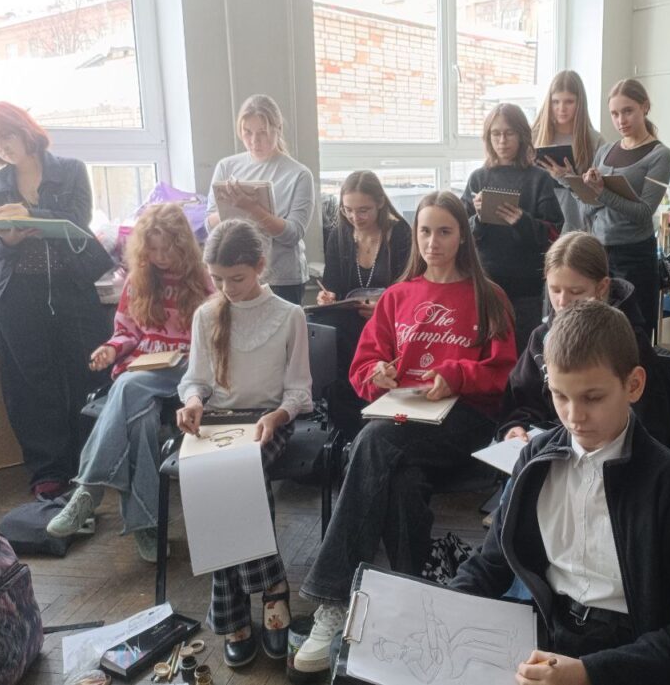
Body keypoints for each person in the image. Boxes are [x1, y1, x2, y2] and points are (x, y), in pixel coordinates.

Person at [450, 301, 670, 685]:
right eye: (560, 396)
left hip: (628, 650)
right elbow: (492, 563)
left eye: (593, 398)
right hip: (546, 624)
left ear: (633, 385)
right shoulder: (536, 459)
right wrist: (441, 608)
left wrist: (588, 673)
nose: (574, 417)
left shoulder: (669, 483)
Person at [294, 191, 517, 675]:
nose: (433, 242)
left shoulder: (488, 296)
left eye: (445, 232)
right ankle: (416, 602)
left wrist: (455, 375)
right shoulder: (397, 296)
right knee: (400, 479)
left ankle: (332, 599)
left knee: (371, 443)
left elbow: (504, 375)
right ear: (414, 236)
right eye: (425, 232)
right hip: (402, 420)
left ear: (463, 236)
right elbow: (362, 367)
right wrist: (377, 374)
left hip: (465, 422)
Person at [176, 219, 312, 667]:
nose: (227, 289)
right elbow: (195, 381)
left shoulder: (289, 315)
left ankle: (231, 610)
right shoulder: (206, 315)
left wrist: (277, 416)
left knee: (237, 476)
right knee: (219, 477)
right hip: (218, 423)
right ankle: (273, 588)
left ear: (260, 266)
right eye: (217, 279)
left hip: (269, 421)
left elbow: (299, 391)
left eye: (236, 278)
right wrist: (193, 402)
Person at [45, 205, 212, 560]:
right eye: (154, 250)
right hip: (146, 370)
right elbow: (127, 332)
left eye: (168, 249)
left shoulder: (202, 281)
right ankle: (146, 525)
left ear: (183, 245)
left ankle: (89, 487)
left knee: (126, 386)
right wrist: (110, 349)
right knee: (140, 424)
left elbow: (213, 336)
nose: (161, 257)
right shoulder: (138, 281)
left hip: (186, 369)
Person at [0, 101, 112, 498]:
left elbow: (78, 222)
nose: (1, 147)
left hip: (70, 286)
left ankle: (90, 463)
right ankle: (47, 470)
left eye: (5, 136)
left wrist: (32, 213)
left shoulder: (71, 170)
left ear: (24, 129)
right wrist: (7, 239)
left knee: (87, 373)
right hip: (15, 294)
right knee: (30, 383)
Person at [499, 231, 670, 446]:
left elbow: (649, 423)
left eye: (575, 291)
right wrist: (517, 426)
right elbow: (522, 399)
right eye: (555, 290)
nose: (562, 301)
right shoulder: (540, 337)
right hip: (546, 444)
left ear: (601, 287)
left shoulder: (628, 342)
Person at [566, 79, 670, 339]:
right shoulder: (605, 150)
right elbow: (591, 208)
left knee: (634, 331)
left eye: (628, 111)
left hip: (634, 254)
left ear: (644, 107)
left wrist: (601, 192)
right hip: (599, 251)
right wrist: (577, 185)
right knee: (598, 330)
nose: (621, 120)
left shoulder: (659, 154)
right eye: (614, 114)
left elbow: (643, 212)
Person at [316, 170, 412, 439]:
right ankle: (347, 427)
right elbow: (332, 285)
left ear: (380, 203)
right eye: (347, 210)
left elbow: (410, 287)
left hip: (391, 318)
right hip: (351, 317)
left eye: (363, 210)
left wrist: (382, 308)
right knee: (325, 327)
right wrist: (327, 297)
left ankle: (373, 423)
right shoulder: (340, 234)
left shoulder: (400, 233)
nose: (354, 217)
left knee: (348, 336)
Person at [462, 103, 563, 353]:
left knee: (522, 351)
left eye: (509, 133)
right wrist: (478, 218)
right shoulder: (478, 178)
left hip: (525, 285)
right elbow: (461, 233)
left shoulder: (538, 178)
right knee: (484, 350)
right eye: (496, 134)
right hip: (486, 280)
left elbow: (553, 233)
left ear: (521, 136)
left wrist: (522, 221)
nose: (502, 141)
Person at [206, 94, 315, 304]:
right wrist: (233, 209)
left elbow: (292, 234)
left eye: (263, 132)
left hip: (281, 279)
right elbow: (210, 225)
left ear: (278, 129)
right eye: (247, 132)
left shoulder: (299, 174)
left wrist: (253, 209)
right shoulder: (226, 166)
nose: (254, 141)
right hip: (235, 274)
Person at [531, 70, 605, 233]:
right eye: (555, 102)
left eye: (569, 102)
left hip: (579, 226)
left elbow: (600, 196)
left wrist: (570, 178)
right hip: (541, 225)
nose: (561, 108)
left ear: (580, 103)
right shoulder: (533, 136)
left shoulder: (595, 140)